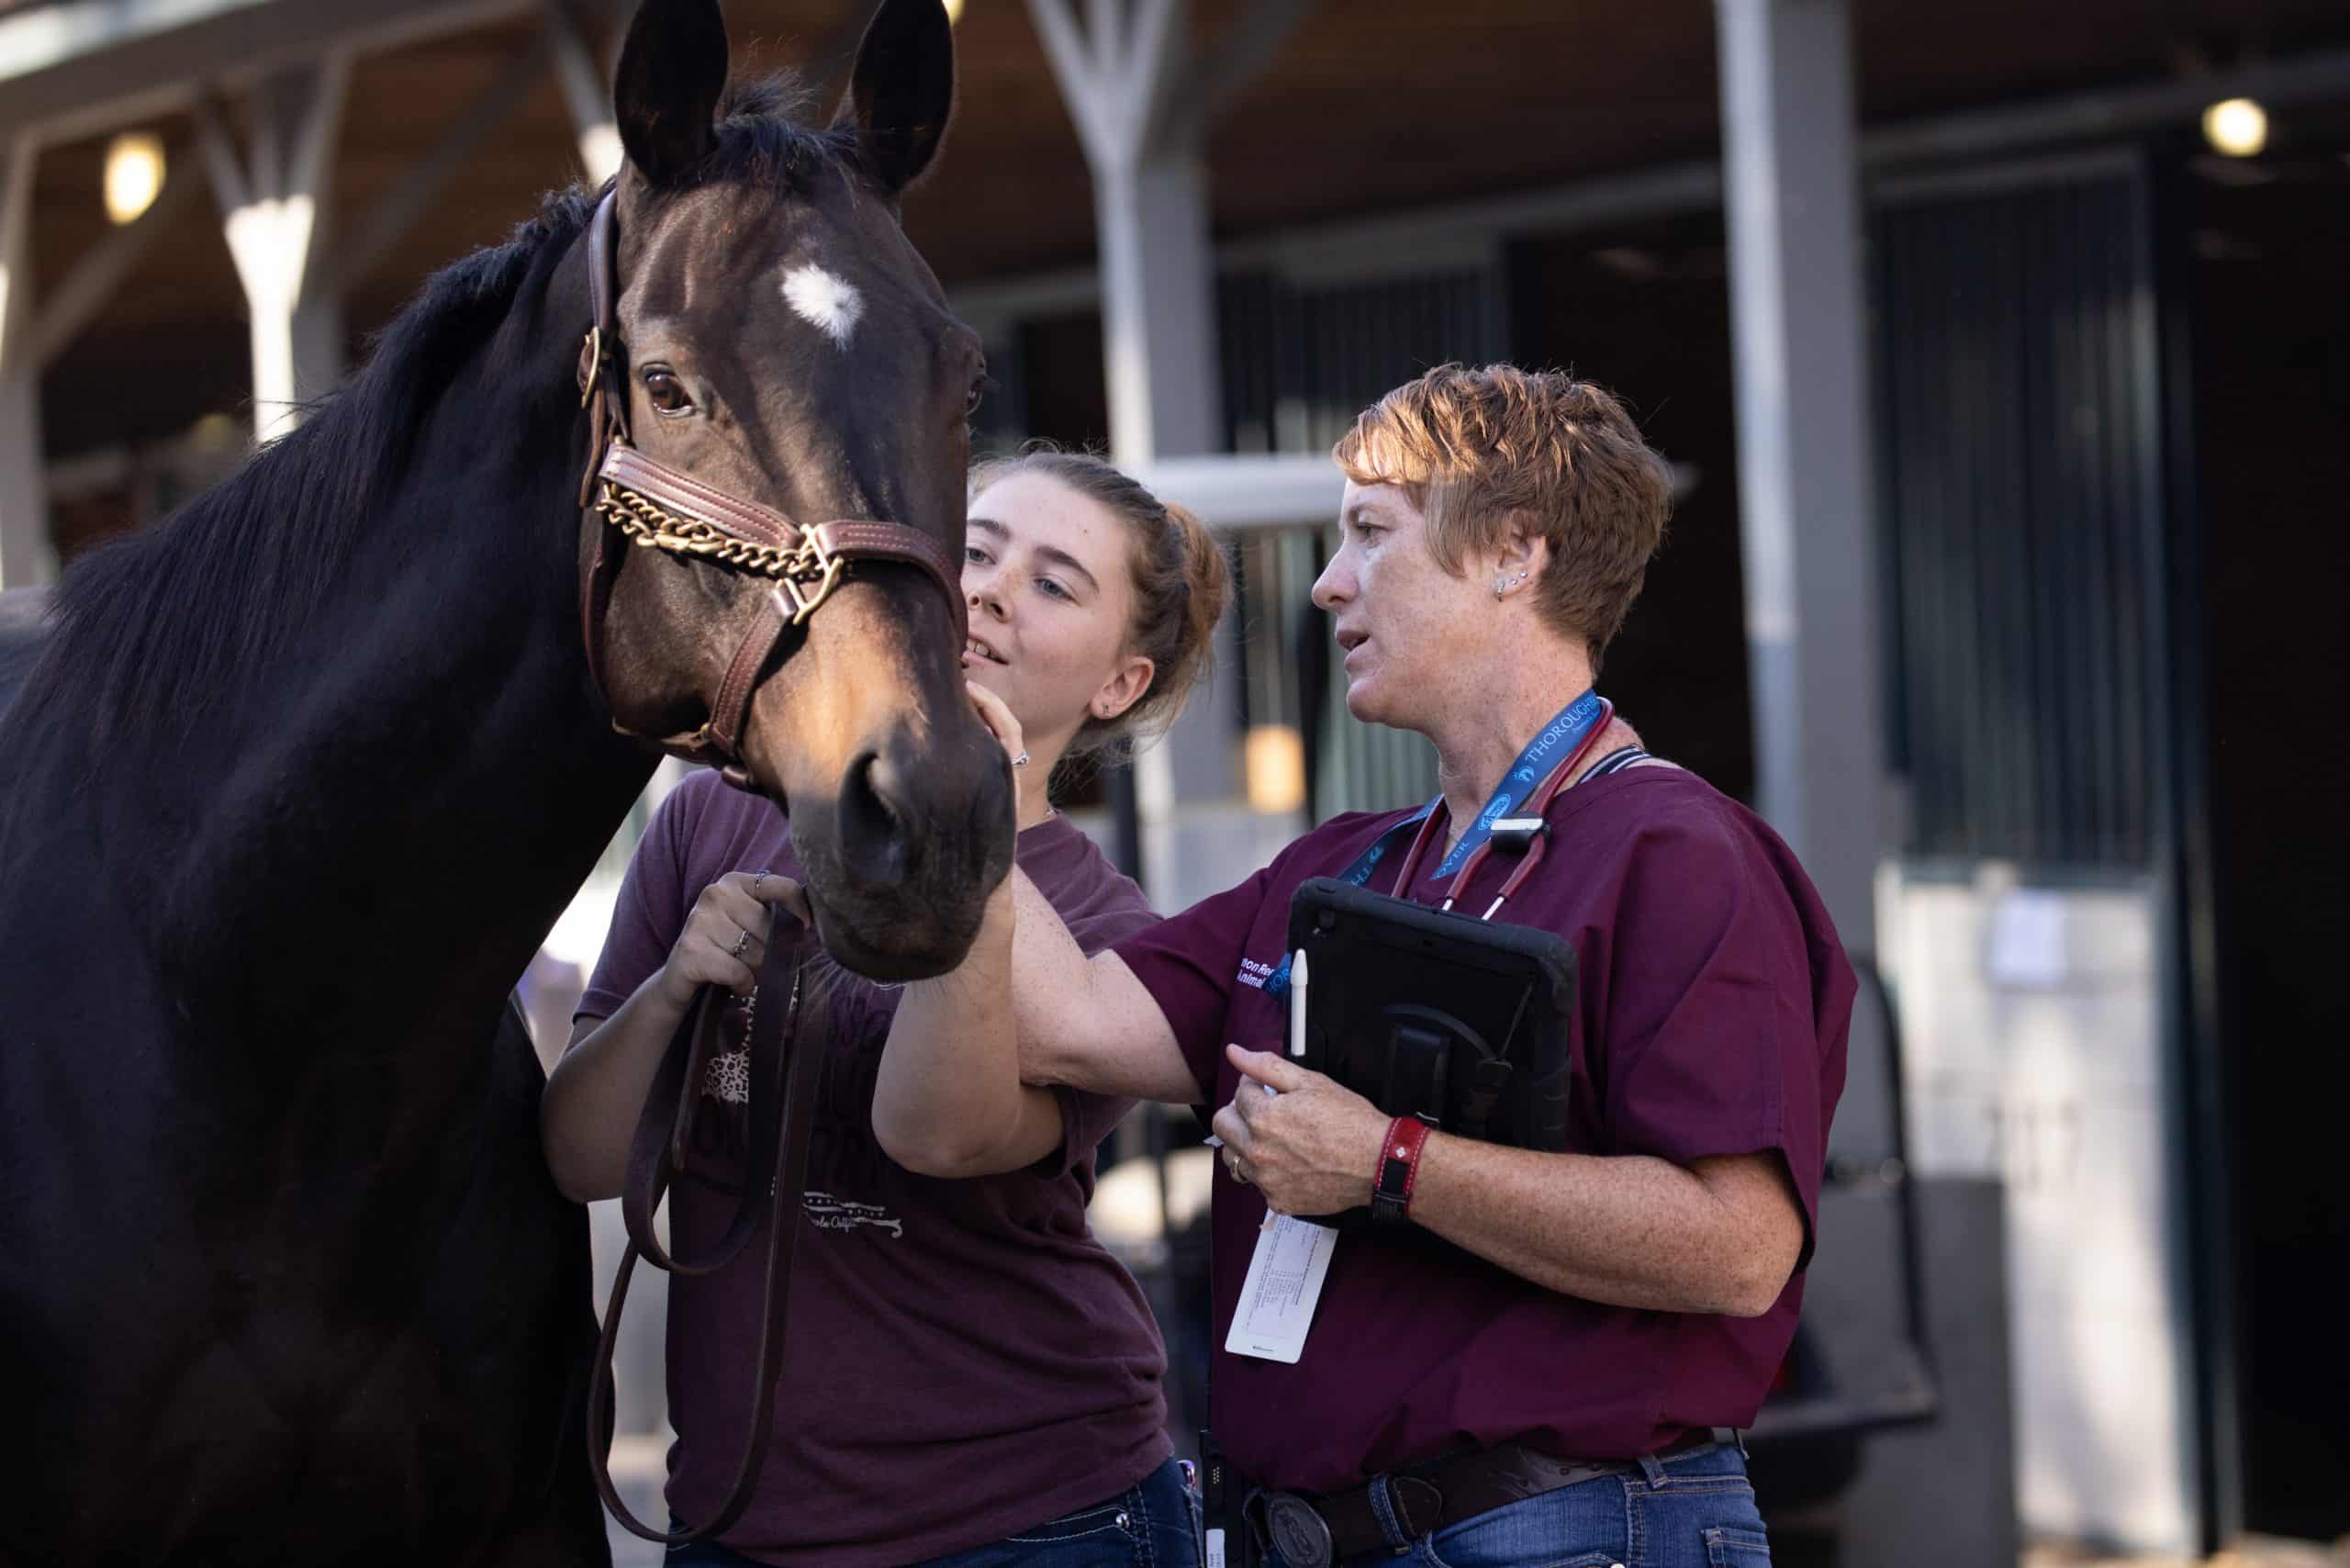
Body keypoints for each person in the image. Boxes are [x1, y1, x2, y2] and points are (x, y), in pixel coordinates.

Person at [880, 365, 1854, 1568]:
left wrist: (1389, 1163)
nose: (1330, 584)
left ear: (1513, 553)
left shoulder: (1679, 850)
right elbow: (1060, 1020)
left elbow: (1739, 1247)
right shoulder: (1340, 867)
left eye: (1369, 535)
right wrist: (955, 748)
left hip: (1572, 1528)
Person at [542, 447, 1231, 1567]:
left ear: (1118, 685)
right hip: (736, 1519)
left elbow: (934, 1135)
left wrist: (970, 818)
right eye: (975, 552)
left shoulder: (1105, 934)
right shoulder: (712, 818)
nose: (995, 592)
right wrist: (673, 992)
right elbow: (578, 1158)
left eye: (1055, 585)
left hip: (1031, 1519)